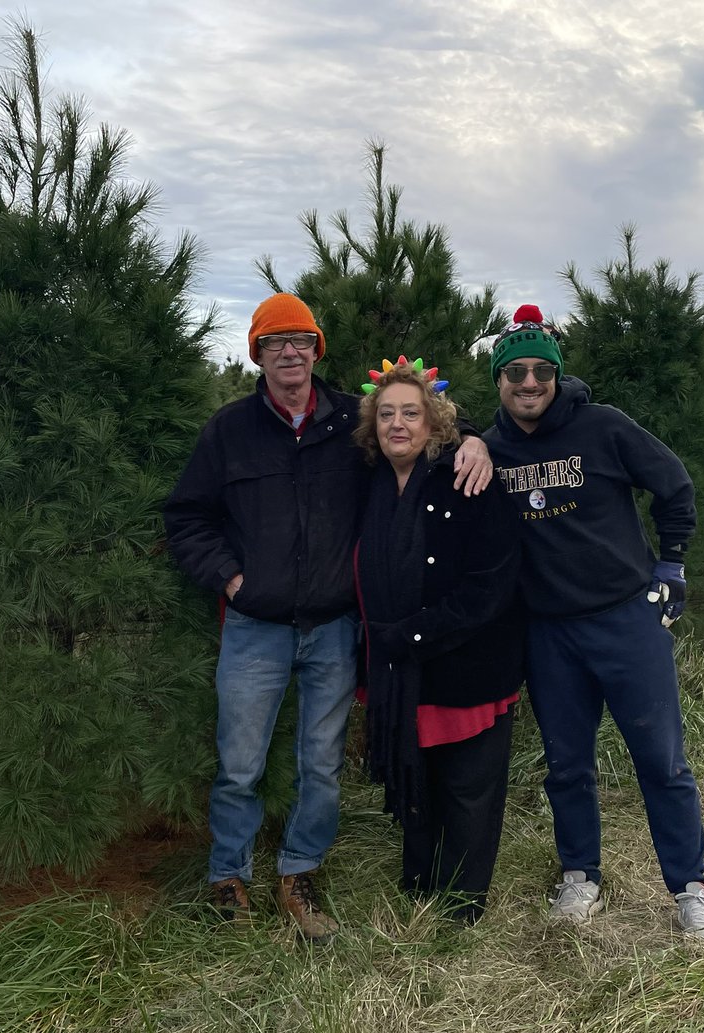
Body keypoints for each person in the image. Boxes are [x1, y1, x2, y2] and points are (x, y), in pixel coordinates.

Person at [163, 295, 493, 940]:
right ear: (256, 353)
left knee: (322, 761)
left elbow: (420, 413)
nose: (291, 352)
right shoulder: (230, 430)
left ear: (318, 350)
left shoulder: (351, 419)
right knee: (240, 763)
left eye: (302, 340)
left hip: (336, 628)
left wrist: (478, 436)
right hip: (255, 627)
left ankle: (301, 874)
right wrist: (231, 579)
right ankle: (228, 878)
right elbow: (187, 518)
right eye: (275, 341)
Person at [483, 305, 704, 940]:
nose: (529, 383)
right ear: (499, 382)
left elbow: (674, 485)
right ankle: (580, 875)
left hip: (626, 620)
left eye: (541, 371)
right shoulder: (493, 447)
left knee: (661, 760)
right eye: (515, 373)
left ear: (556, 375)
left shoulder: (605, 428)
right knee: (567, 765)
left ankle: (690, 887)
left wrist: (671, 564)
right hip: (549, 633)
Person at [354, 356, 523, 924]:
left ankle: (461, 902)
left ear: (435, 421)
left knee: (468, 785)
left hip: (465, 659)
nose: (397, 424)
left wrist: (415, 633)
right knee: (417, 773)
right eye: (386, 415)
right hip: (399, 668)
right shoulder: (369, 481)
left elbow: (492, 580)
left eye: (411, 413)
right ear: (372, 425)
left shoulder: (466, 476)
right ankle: (419, 878)